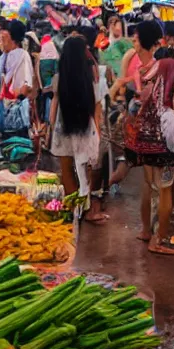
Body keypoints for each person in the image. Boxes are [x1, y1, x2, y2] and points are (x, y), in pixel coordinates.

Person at [119, 20, 174, 255]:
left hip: (145, 138)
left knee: (149, 185)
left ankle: (147, 231)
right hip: (163, 139)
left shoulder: (145, 70)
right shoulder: (167, 66)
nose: (133, 42)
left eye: (136, 38)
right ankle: (158, 239)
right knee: (165, 188)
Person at [47, 36, 105, 223]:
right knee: (85, 171)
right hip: (85, 129)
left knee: (66, 169)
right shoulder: (90, 79)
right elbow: (97, 108)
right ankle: (87, 210)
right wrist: (98, 131)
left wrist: (49, 128)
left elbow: (54, 107)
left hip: (62, 128)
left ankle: (73, 209)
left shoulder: (59, 78)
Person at [0, 19, 34, 135]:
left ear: (11, 37)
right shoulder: (5, 56)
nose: (2, 38)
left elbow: (26, 85)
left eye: (5, 33)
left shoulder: (22, 56)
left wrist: (15, 99)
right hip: (6, 109)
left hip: (14, 111)